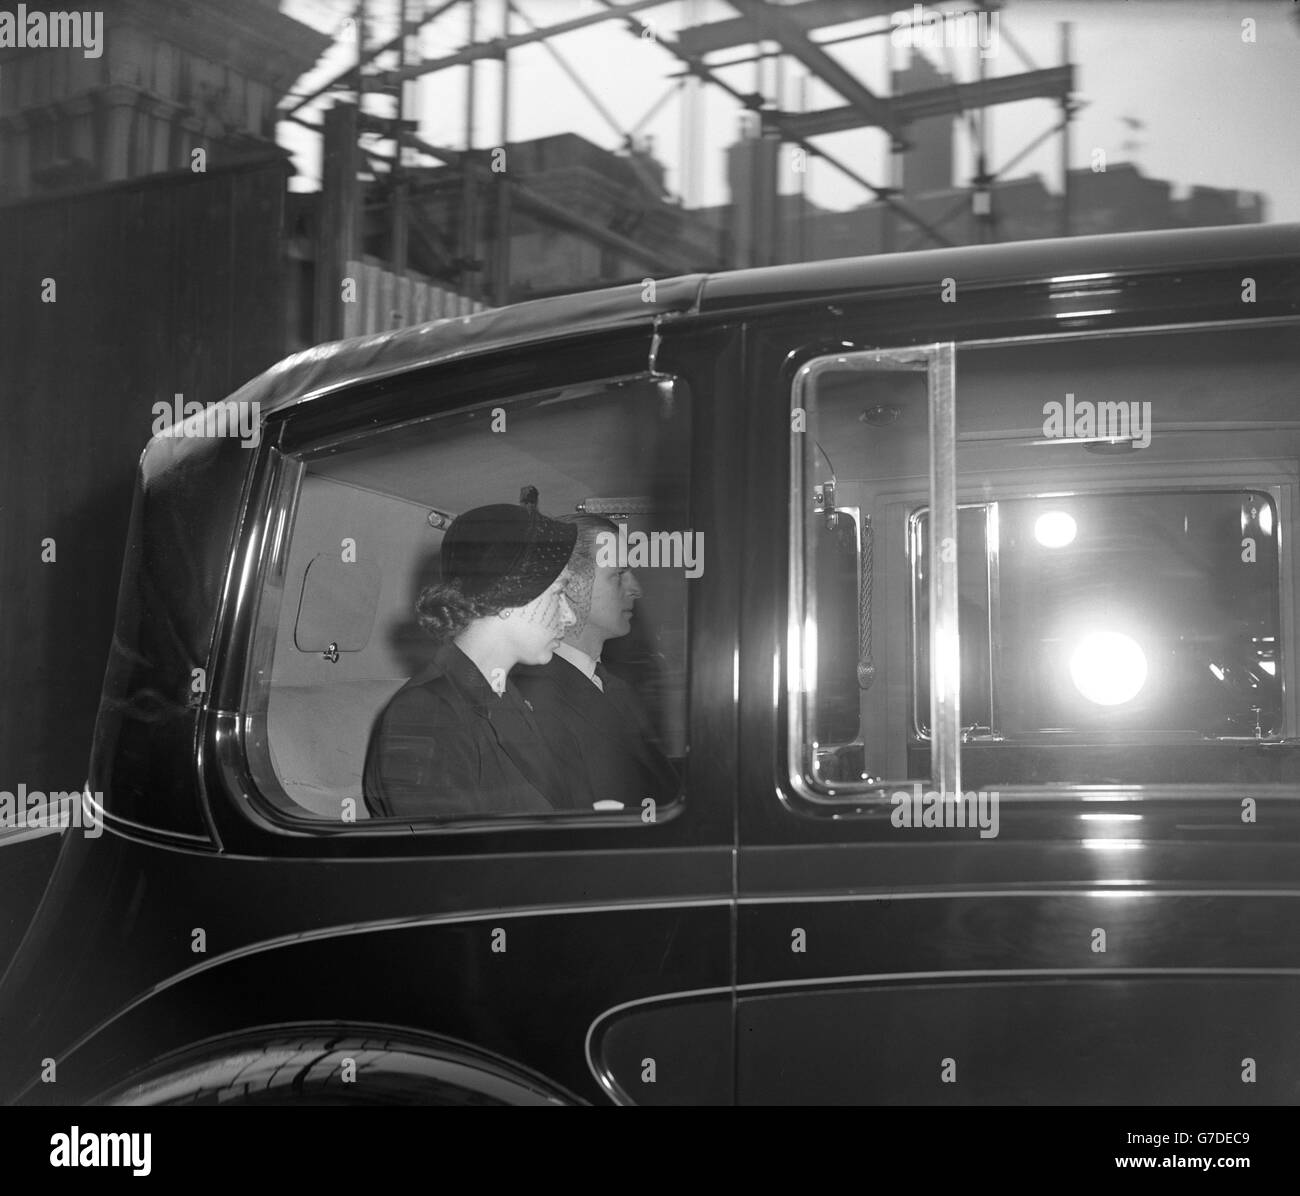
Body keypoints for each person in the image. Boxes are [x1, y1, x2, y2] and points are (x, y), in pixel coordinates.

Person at [364, 499, 579, 819]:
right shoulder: (425, 714)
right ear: (508, 596)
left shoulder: (504, 692)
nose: (570, 616)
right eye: (559, 593)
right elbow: (450, 864)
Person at [514, 514, 680, 811]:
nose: (635, 588)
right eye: (619, 574)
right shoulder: (533, 701)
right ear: (570, 585)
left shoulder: (614, 686)